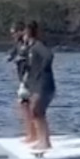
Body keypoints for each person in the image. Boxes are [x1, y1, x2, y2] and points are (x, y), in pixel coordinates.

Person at [22, 20, 56, 151]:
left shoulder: (37, 46)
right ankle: (42, 139)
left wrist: (42, 70)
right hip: (36, 85)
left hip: (43, 84)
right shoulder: (30, 48)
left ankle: (45, 142)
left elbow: (49, 56)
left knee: (37, 111)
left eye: (25, 32)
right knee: (36, 111)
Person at [6, 21, 34, 143]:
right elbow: (12, 54)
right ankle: (30, 133)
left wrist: (21, 58)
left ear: (21, 31)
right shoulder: (18, 44)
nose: (13, 36)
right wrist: (10, 57)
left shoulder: (28, 44)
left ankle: (32, 134)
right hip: (23, 78)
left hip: (29, 78)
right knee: (24, 106)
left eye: (14, 33)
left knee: (26, 105)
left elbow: (32, 58)